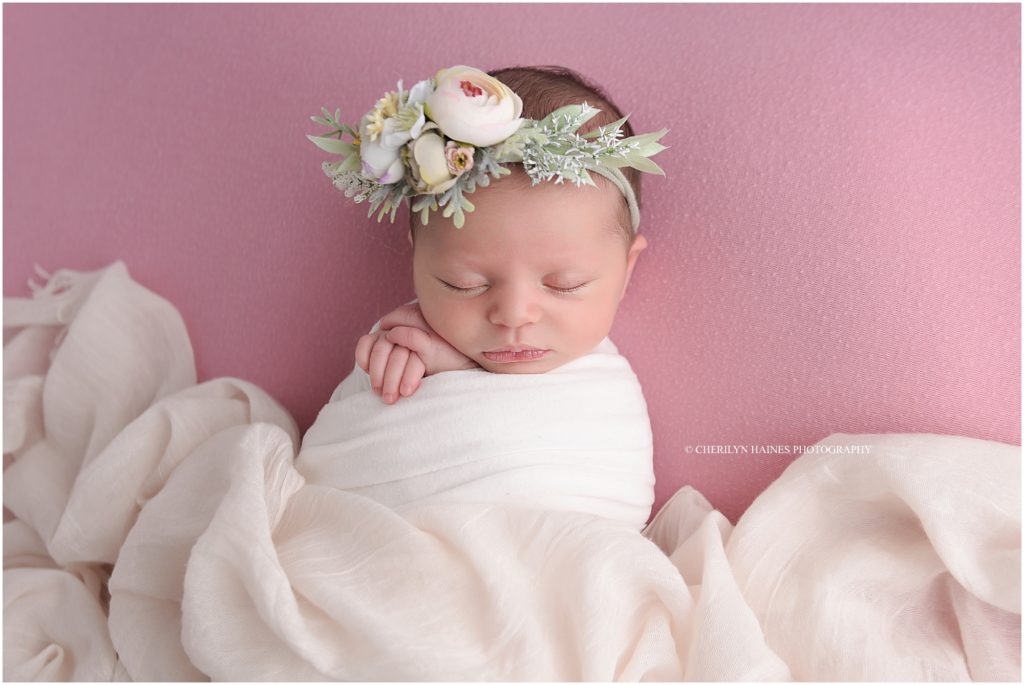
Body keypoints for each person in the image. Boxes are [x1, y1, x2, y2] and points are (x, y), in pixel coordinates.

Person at [308, 63, 669, 403]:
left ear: (626, 270)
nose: (513, 315)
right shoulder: (404, 342)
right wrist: (384, 376)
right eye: (463, 284)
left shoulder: (604, 392)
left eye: (565, 284)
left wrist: (459, 378)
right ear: (416, 257)